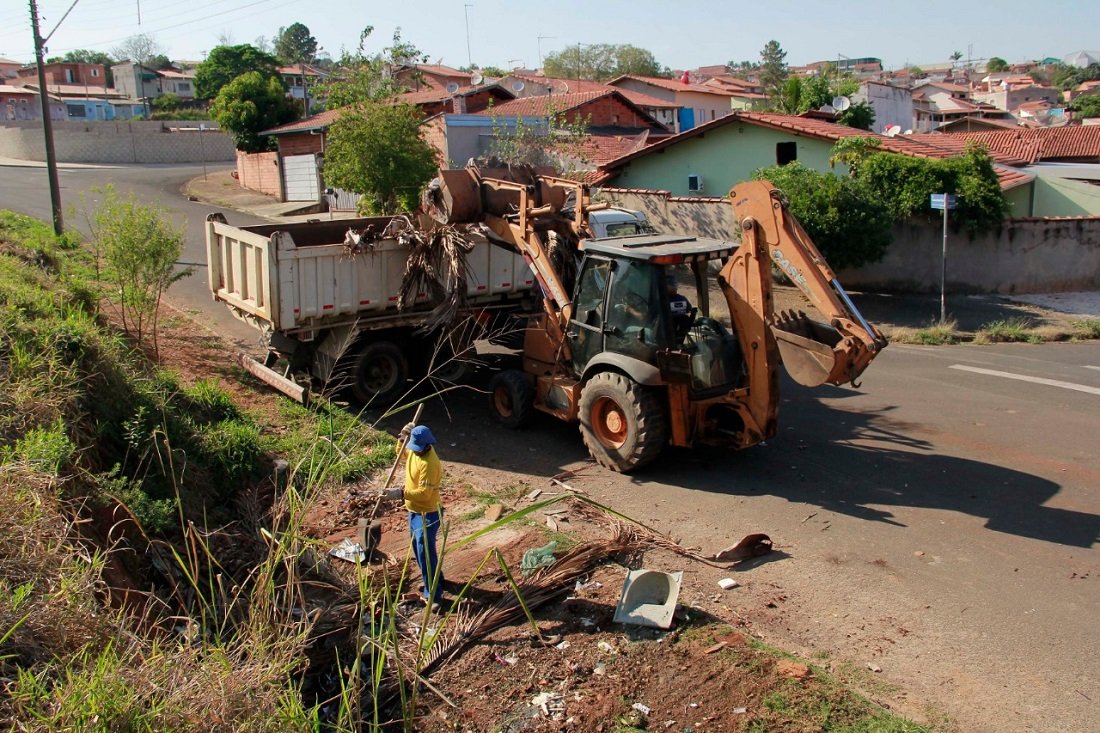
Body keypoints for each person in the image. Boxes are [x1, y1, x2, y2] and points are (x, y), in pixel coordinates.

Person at [388, 423, 446, 610]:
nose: (413, 451)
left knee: (425, 552)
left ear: (427, 445)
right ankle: (435, 581)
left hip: (428, 513)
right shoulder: (415, 450)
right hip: (413, 511)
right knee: (419, 550)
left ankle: (434, 596)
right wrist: (401, 438)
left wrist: (400, 493)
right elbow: (401, 454)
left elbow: (424, 494)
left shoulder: (431, 464)